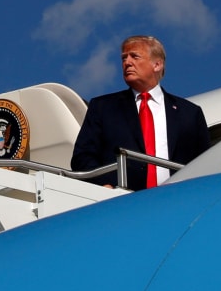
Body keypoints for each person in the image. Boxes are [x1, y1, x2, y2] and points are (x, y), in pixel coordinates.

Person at [71, 35, 210, 190]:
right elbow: (82, 157)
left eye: (134, 56)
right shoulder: (103, 107)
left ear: (157, 64)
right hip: (121, 204)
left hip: (177, 203)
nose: (127, 62)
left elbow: (205, 163)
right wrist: (104, 185)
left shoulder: (190, 113)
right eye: (124, 58)